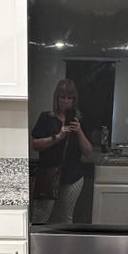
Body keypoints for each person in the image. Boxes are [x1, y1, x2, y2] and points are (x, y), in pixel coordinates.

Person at [31, 79, 92, 223]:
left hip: (73, 177)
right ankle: (39, 246)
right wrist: (58, 137)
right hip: (48, 174)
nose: (65, 101)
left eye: (69, 98)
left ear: (74, 100)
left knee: (65, 218)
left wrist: (79, 131)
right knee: (41, 216)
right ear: (56, 98)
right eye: (62, 97)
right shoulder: (46, 118)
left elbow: (88, 151)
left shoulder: (80, 121)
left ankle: (64, 246)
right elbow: (35, 145)